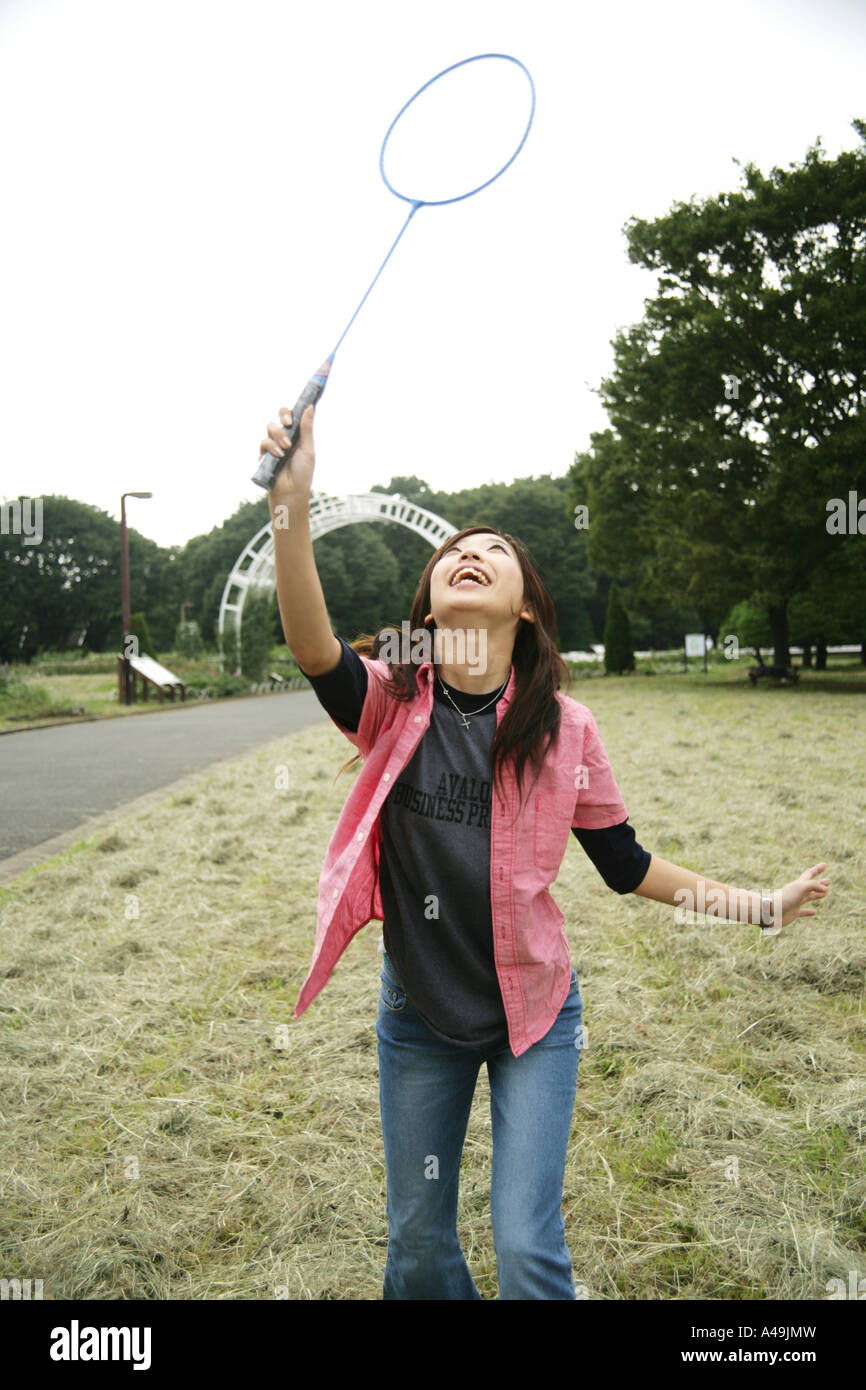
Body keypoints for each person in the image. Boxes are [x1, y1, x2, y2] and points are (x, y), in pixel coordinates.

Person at [258, 402, 831, 1301]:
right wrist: (290, 503)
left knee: (526, 1248)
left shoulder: (566, 728)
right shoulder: (390, 702)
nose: (468, 552)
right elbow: (310, 644)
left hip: (536, 1017)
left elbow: (626, 866)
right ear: (429, 602)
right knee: (417, 1246)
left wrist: (758, 907)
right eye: (453, 551)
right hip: (419, 1013)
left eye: (493, 550)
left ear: (524, 605)